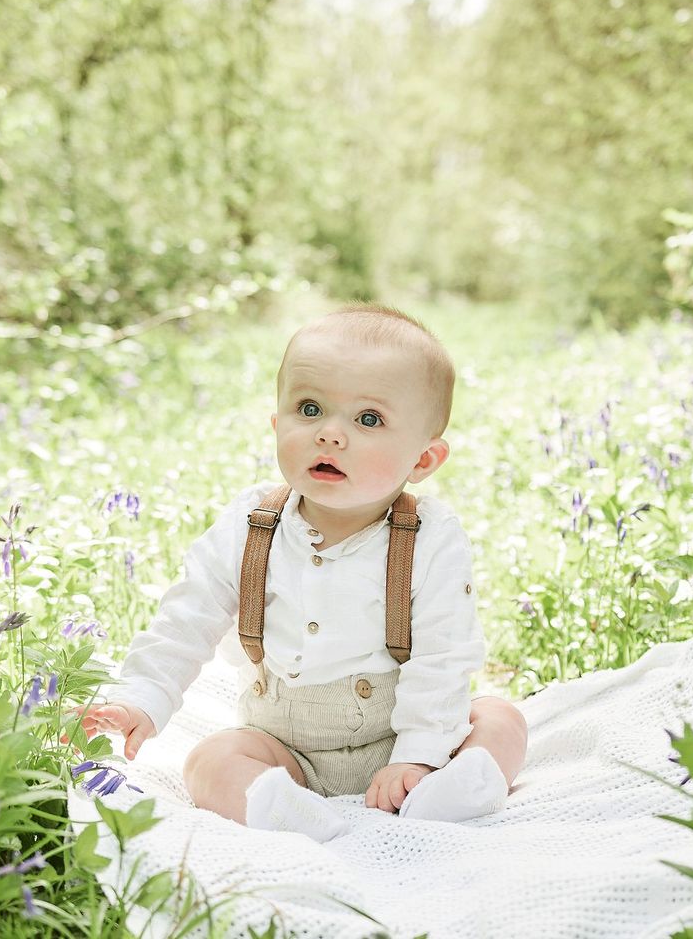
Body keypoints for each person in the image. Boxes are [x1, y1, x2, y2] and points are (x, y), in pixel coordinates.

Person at [80, 304, 528, 842]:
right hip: (285, 748)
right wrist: (142, 698)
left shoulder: (429, 535)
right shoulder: (251, 525)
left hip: (402, 734)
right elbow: (187, 617)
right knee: (211, 759)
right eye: (309, 409)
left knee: (500, 720)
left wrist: (420, 756)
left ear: (424, 460)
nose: (330, 436)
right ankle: (283, 811)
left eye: (368, 420)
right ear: (276, 423)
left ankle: (455, 788)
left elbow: (443, 651)